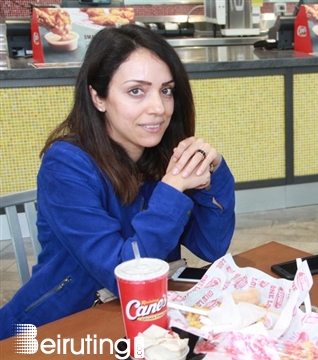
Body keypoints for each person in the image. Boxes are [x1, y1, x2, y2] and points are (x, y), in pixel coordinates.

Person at [0, 24, 236, 340]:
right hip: (56, 327)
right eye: (136, 91)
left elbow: (211, 246)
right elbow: (123, 274)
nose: (159, 109)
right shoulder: (65, 165)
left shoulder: (160, 154)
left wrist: (215, 173)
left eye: (166, 90)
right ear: (98, 97)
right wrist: (172, 189)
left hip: (140, 318)